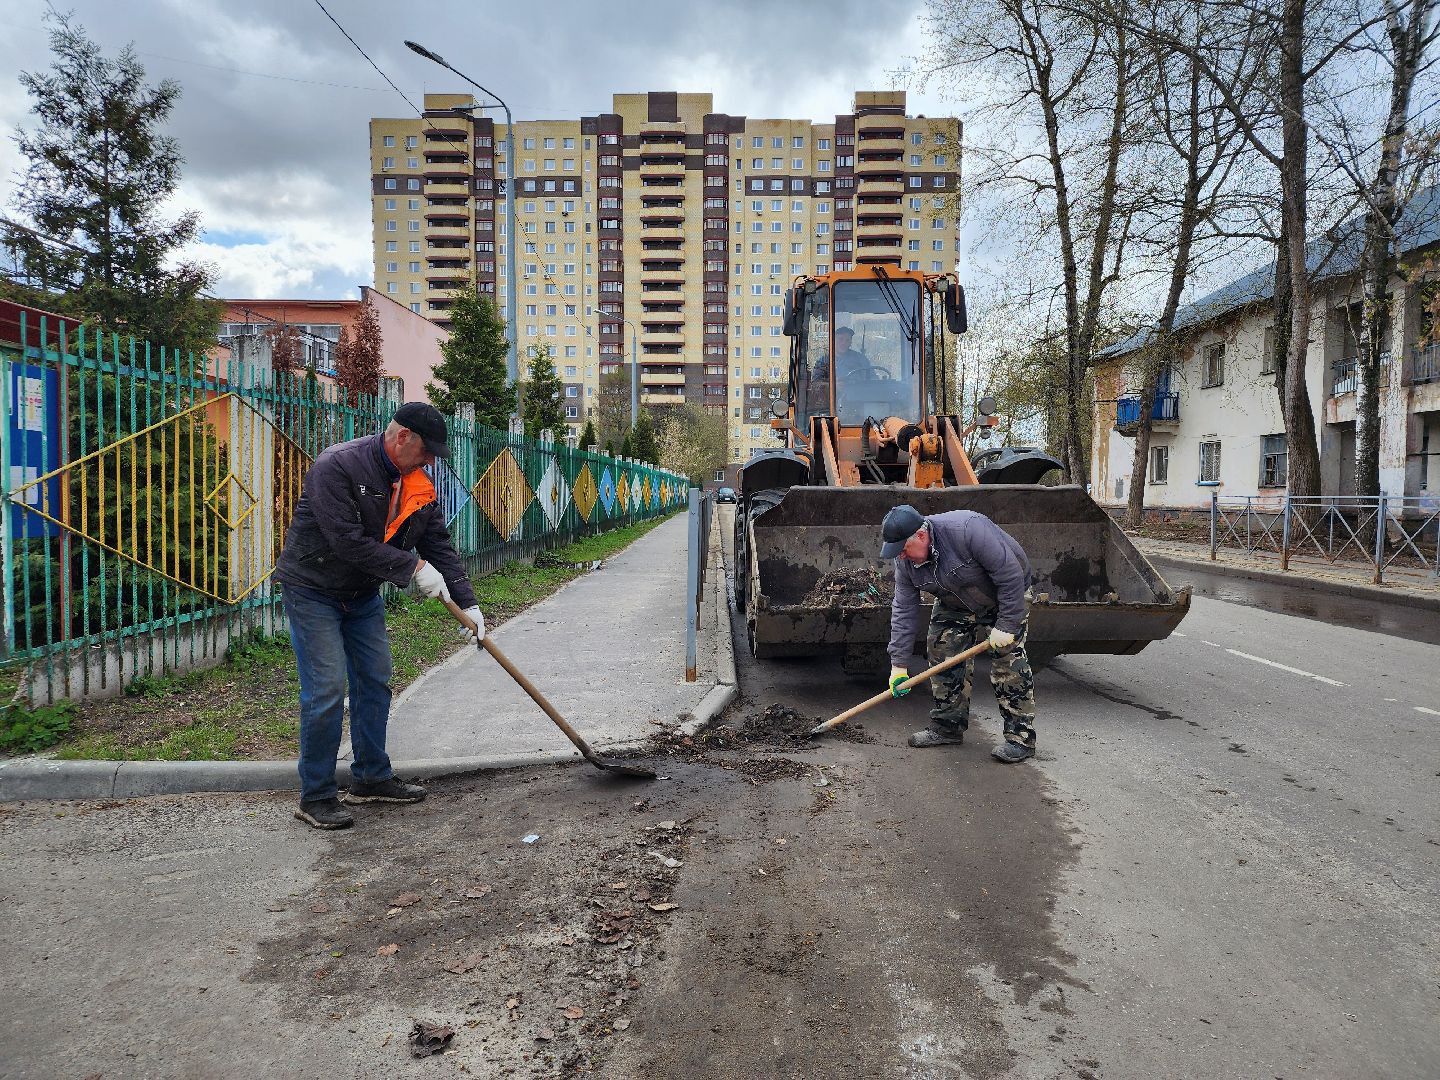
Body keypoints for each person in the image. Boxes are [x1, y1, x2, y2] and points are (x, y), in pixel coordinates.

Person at [275, 402, 486, 829]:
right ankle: (315, 795)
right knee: (327, 688)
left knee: (375, 678)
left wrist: (468, 603)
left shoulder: (416, 484)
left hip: (361, 594)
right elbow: (346, 542)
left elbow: (438, 544)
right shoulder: (337, 466)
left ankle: (370, 777)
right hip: (313, 589)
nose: (429, 462)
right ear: (403, 437)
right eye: (427, 451)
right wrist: (413, 569)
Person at [881, 503, 1038, 763]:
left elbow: (1009, 575)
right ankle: (948, 726)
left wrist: (1007, 625)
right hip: (955, 601)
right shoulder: (906, 563)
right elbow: (903, 609)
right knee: (942, 650)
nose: (902, 557)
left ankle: (1020, 738)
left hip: (1006, 595)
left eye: (904, 550)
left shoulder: (967, 529)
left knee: (1008, 663)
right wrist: (898, 665)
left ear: (921, 536)